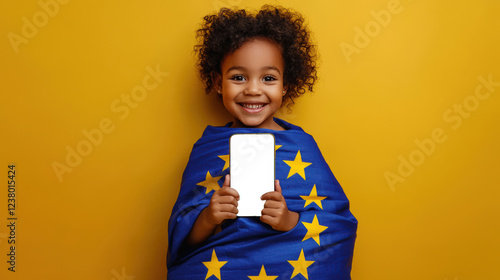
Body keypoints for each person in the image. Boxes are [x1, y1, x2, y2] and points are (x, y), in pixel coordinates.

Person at [167, 5, 357, 279]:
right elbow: (184, 242)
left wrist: (288, 220)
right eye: (238, 77)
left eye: (268, 78)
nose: (253, 89)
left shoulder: (301, 146)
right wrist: (209, 217)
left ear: (285, 85)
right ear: (219, 83)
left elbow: (336, 225)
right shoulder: (207, 149)